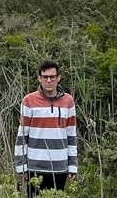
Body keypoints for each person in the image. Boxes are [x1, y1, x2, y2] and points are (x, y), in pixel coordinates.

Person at [14, 60, 77, 197]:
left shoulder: (68, 101)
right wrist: (21, 166)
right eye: (45, 77)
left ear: (58, 78)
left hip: (60, 167)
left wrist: (73, 165)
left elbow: (71, 136)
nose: (49, 80)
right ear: (39, 78)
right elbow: (22, 136)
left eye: (52, 77)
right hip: (35, 167)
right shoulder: (29, 101)